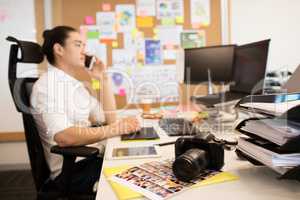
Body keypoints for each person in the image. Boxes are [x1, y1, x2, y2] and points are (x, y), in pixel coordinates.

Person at [30, 26, 140, 194]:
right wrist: (116, 129)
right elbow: (64, 137)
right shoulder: (47, 86)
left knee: (143, 162)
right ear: (59, 49)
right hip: (74, 170)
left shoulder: (75, 85)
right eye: (78, 45)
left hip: (92, 158)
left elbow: (108, 119)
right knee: (139, 178)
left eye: (84, 46)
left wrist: (103, 79)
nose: (84, 51)